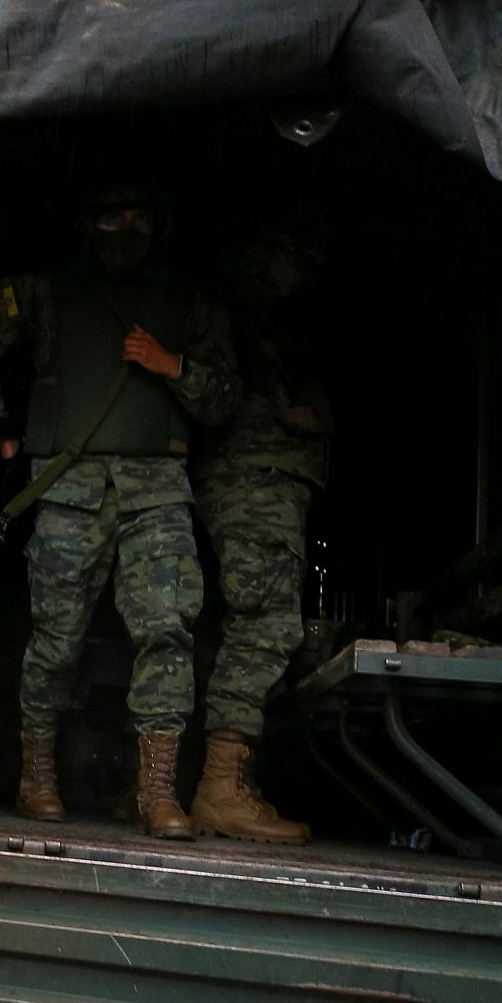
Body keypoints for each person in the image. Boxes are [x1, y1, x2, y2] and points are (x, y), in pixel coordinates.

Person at [0, 183, 237, 839]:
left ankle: (158, 791)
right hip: (68, 486)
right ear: (88, 222)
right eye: (114, 215)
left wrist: (174, 366)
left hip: (157, 489)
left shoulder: (191, 302)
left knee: (167, 632)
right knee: (54, 641)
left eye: (141, 217)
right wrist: (1, 428)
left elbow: (225, 397)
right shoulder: (44, 293)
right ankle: (37, 777)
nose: (127, 229)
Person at [187, 216, 334, 843]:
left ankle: (188, 784)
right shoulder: (250, 308)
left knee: (229, 623)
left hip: (255, 477)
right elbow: (268, 402)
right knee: (266, 624)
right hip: (257, 478)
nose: (304, 270)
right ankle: (220, 790)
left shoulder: (243, 307)